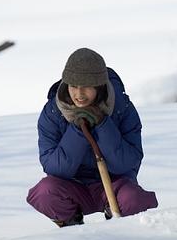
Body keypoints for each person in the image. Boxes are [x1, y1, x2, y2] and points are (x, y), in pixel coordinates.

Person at [26, 48, 158, 227]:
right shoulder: (53, 112)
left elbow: (128, 163)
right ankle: (73, 229)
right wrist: (78, 130)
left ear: (99, 86)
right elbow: (54, 168)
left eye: (86, 87)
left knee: (132, 199)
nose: (79, 95)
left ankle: (119, 227)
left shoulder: (122, 108)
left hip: (114, 185)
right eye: (73, 86)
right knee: (44, 192)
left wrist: (103, 125)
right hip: (73, 186)